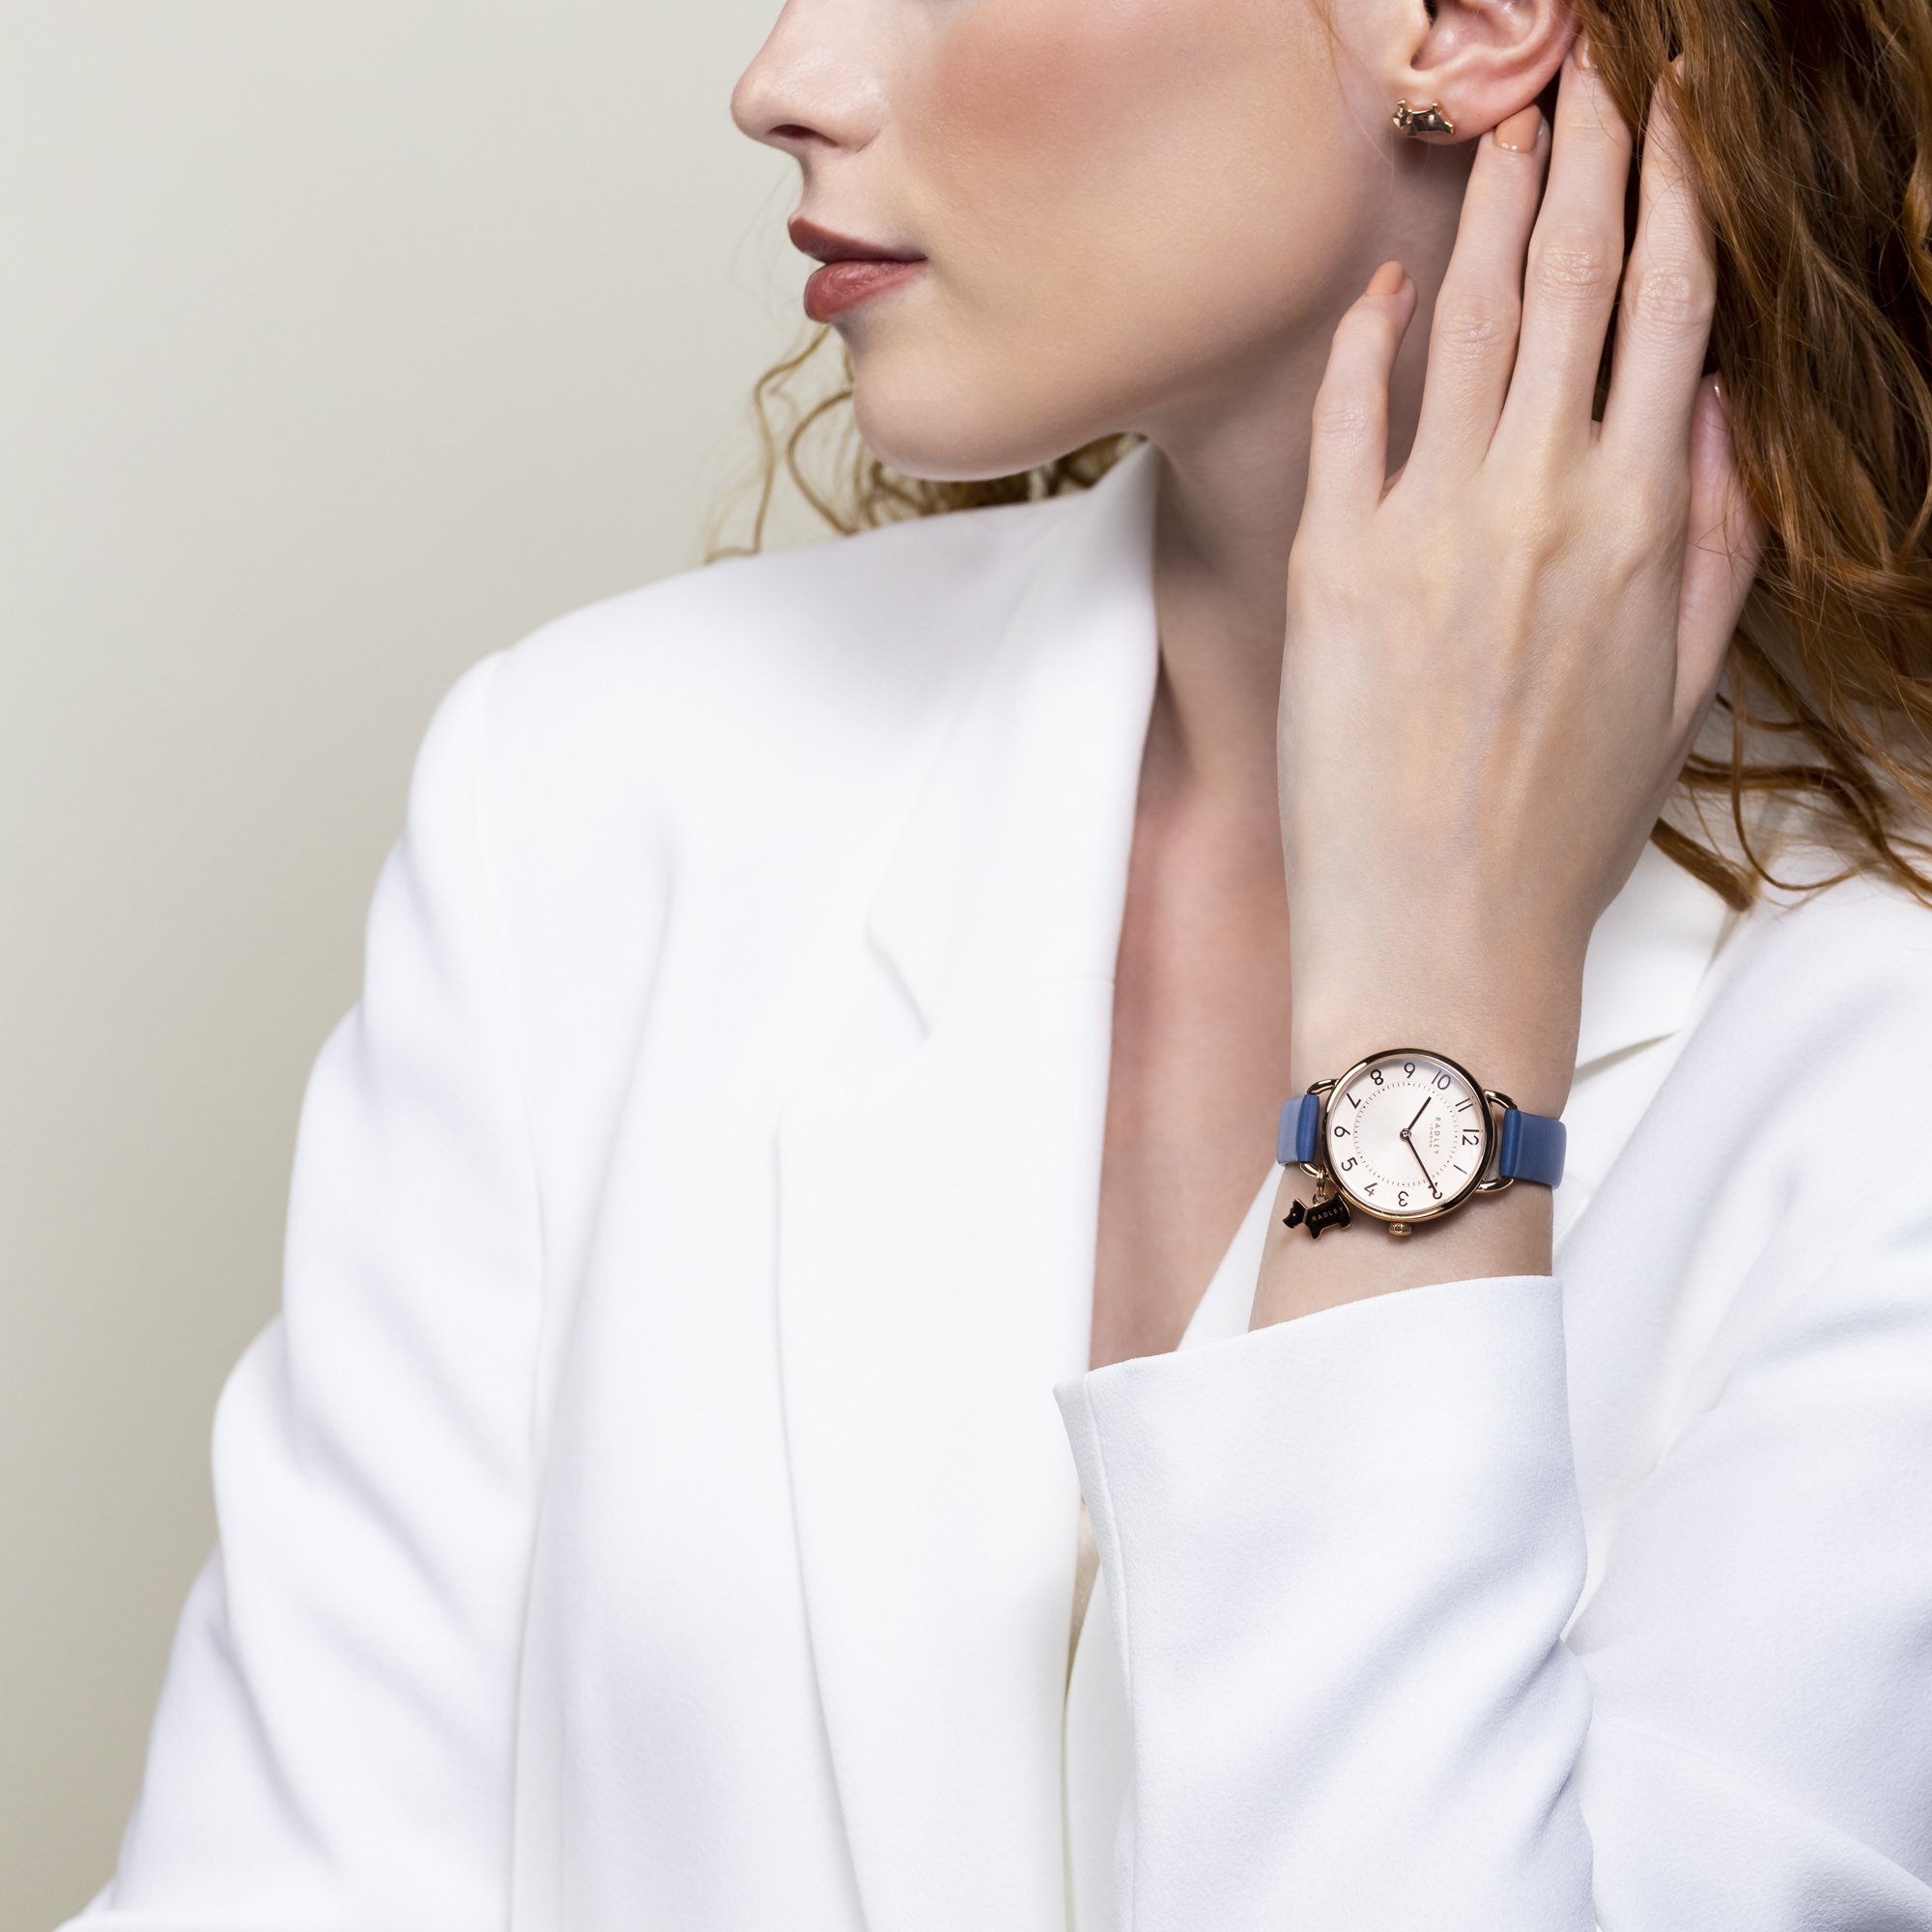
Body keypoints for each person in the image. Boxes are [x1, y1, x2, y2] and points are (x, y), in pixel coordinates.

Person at [65, 0, 1932, 1923]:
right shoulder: (594, 792)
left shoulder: (1889, 1048)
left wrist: (1433, 1007)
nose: (782, 80)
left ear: (1459, 25)